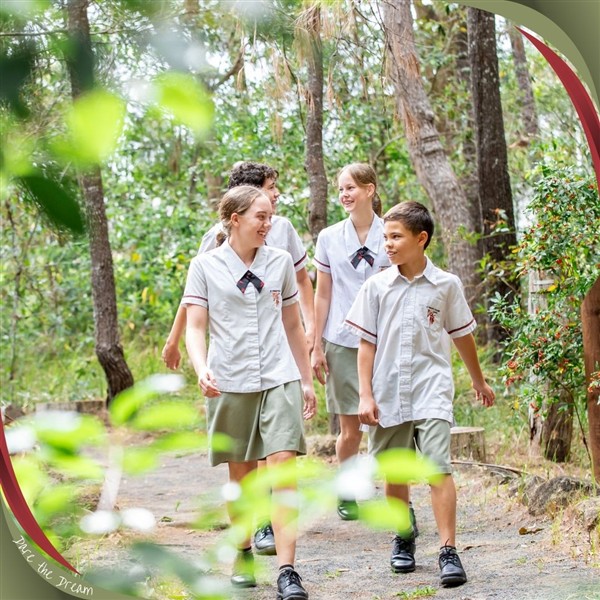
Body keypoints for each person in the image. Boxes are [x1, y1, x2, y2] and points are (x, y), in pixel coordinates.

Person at [163, 161, 315, 555]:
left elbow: (293, 325)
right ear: (235, 219)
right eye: (261, 217)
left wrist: (306, 380)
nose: (269, 224)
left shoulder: (279, 261)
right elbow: (196, 325)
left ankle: (287, 569)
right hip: (229, 377)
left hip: (279, 376)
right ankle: (243, 552)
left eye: (270, 217)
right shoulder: (205, 266)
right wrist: (201, 368)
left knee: (283, 467)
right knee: (242, 476)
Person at [345, 201, 495, 587]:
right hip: (388, 391)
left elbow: (462, 335)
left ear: (420, 239)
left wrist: (478, 381)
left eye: (396, 237)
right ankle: (404, 536)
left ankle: (448, 550)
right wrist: (365, 395)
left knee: (436, 468)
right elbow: (366, 346)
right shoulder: (376, 286)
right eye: (386, 237)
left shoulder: (446, 285)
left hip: (431, 389)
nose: (388, 244)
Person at [311, 163, 390, 521]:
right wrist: (316, 345)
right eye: (340, 189)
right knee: (349, 428)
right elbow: (323, 293)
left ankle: (393, 492)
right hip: (341, 340)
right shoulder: (329, 237)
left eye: (350, 188)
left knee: (385, 421)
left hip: (385, 339)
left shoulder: (391, 232)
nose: (343, 195)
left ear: (369, 189)